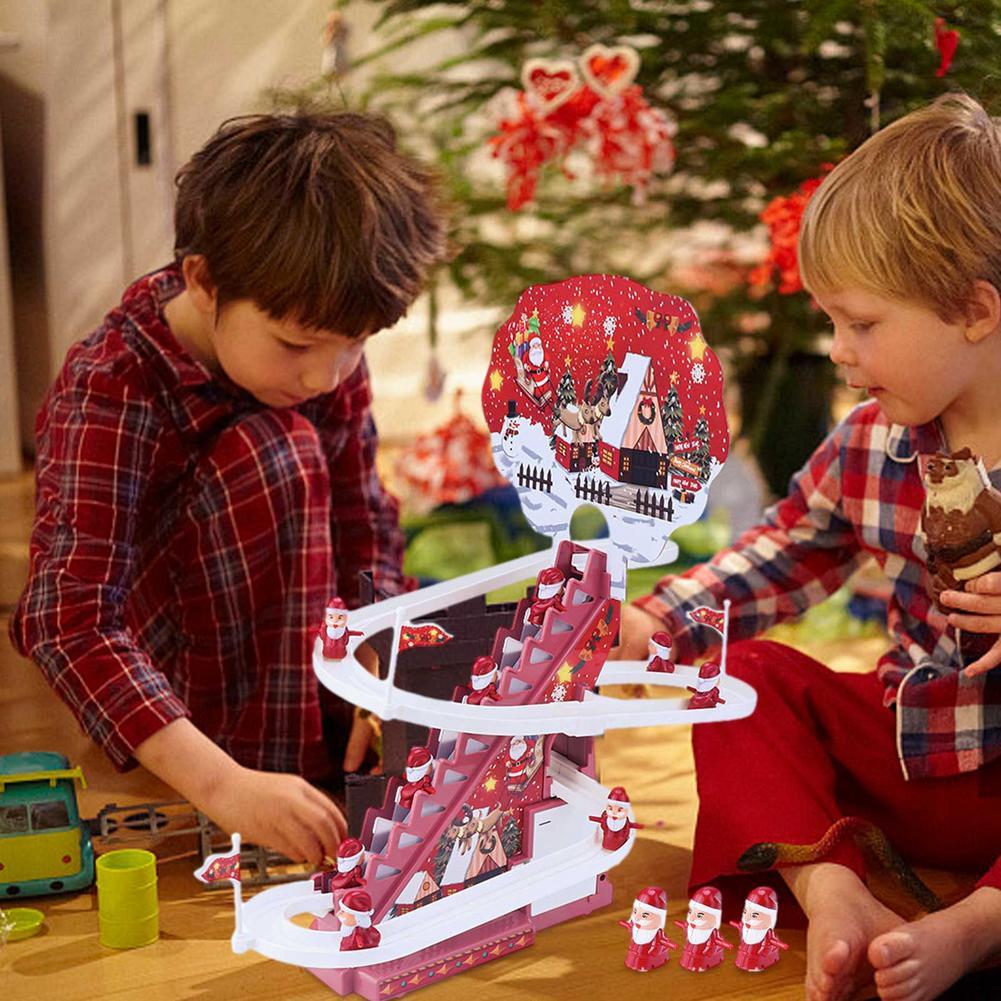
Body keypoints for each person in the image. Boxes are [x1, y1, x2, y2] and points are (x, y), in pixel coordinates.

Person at [614, 93, 1001, 1001]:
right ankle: (831, 886)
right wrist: (654, 622)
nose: (837, 350)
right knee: (744, 679)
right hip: (911, 753)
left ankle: (977, 927)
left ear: (973, 310)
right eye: (829, 321)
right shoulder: (873, 440)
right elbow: (784, 550)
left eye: (861, 323)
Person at [10, 112, 447, 867]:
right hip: (176, 686)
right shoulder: (110, 385)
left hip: (292, 639)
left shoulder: (323, 342)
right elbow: (65, 618)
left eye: (354, 345)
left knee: (411, 621)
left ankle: (324, 738)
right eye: (297, 344)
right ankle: (272, 768)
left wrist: (377, 666)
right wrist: (223, 785)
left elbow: (363, 520)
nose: (326, 376)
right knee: (275, 451)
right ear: (204, 283)